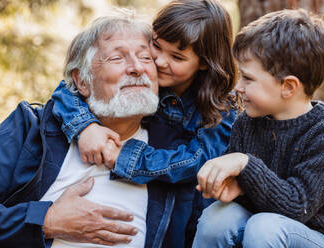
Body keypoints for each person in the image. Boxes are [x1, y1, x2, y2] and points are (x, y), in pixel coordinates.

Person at [0, 14, 176, 248]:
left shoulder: (175, 150)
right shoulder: (32, 129)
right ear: (82, 81)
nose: (137, 67)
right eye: (116, 58)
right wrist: (46, 221)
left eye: (146, 57)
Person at [51, 0, 238, 247]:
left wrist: (127, 159)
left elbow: (197, 162)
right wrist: (86, 127)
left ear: (204, 63)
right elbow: (67, 90)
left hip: (188, 206)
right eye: (157, 47)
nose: (159, 61)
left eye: (177, 57)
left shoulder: (220, 108)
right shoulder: (145, 79)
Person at [193, 8, 324, 248]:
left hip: (321, 238)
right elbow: (252, 192)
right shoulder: (247, 122)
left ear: (288, 87)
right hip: (264, 229)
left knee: (265, 226)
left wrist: (245, 164)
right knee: (217, 218)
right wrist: (235, 189)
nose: (237, 87)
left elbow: (297, 206)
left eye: (248, 78)